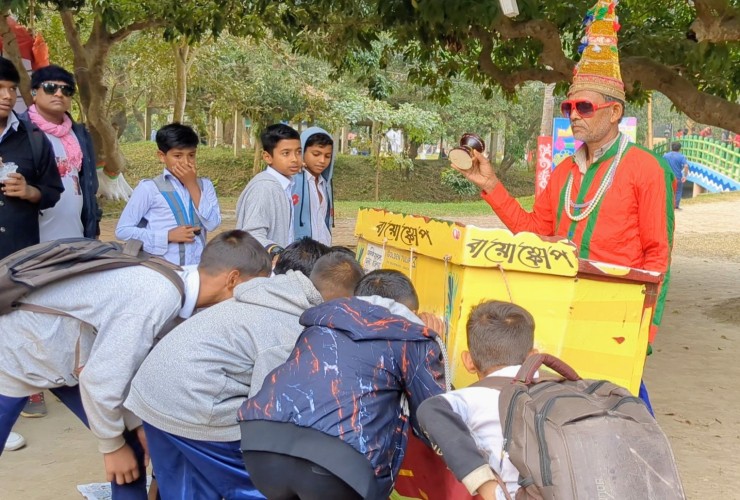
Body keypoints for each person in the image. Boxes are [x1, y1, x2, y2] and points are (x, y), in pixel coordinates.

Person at [451, 0, 673, 412]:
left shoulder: (647, 169)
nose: (573, 115)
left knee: (621, 413)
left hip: (616, 321)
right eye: (570, 107)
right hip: (556, 307)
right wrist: (491, 184)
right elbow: (535, 234)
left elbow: (658, 258)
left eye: (583, 107)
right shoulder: (565, 171)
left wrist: (646, 332)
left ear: (615, 113)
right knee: (560, 413)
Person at [0, 230, 269, 498]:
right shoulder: (157, 295)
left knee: (133, 449)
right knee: (121, 450)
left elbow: (122, 366)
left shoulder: (177, 285)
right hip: (15, 352)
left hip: (69, 357)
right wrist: (111, 446)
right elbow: (101, 380)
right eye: (254, 288)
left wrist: (137, 424)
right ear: (233, 279)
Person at [124, 251, 364, 500]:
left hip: (152, 392)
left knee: (186, 486)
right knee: (262, 486)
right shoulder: (291, 330)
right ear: (342, 302)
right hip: (195, 403)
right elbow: (266, 413)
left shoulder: (270, 292)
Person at [238, 269, 448, 500]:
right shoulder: (412, 338)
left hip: (261, 446)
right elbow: (432, 419)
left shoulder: (321, 323)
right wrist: (434, 341)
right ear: (412, 312)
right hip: (338, 463)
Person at [19, 64, 103, 418]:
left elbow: (87, 183)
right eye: (50, 87)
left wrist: (91, 226)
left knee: (71, 303)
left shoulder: (78, 132)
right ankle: (31, 386)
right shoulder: (20, 132)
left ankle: (70, 371)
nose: (59, 94)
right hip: (33, 233)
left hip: (73, 231)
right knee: (32, 305)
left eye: (66, 90)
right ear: (34, 93)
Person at [0, 57, 63, 449]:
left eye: (11, 89)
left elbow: (51, 192)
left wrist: (30, 192)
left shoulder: (33, 139)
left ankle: (18, 399)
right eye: (0, 89)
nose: (7, 96)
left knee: (15, 327)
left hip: (17, 257)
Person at [417, 301, 537, 500]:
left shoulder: (468, 399)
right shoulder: (559, 390)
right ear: (534, 357)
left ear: (468, 361)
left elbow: (429, 410)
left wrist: (488, 488)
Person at [116, 123, 221, 266]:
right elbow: (123, 231)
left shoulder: (205, 185)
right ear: (161, 156)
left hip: (197, 269)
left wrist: (192, 185)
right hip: (162, 270)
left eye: (191, 155)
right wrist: (167, 236)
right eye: (178, 156)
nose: (186, 162)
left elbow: (213, 224)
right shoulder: (149, 188)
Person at [236, 123, 302, 258]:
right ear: (267, 157)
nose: (295, 159)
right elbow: (251, 235)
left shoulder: (284, 185)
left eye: (298, 152)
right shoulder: (264, 188)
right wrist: (279, 253)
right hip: (263, 269)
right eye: (286, 153)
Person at [292, 127, 336, 245]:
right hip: (298, 253)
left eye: (327, 156)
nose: (322, 160)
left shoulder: (325, 185)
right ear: (301, 152)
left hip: (323, 252)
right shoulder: (290, 180)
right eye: (316, 154)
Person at [663, 142, 689, 210]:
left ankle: (667, 205)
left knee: (668, 190)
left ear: (672, 147)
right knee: (678, 191)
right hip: (677, 177)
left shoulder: (665, 156)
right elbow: (686, 166)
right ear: (680, 148)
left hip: (667, 176)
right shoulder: (681, 156)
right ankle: (675, 206)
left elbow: (662, 164)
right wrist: (685, 176)